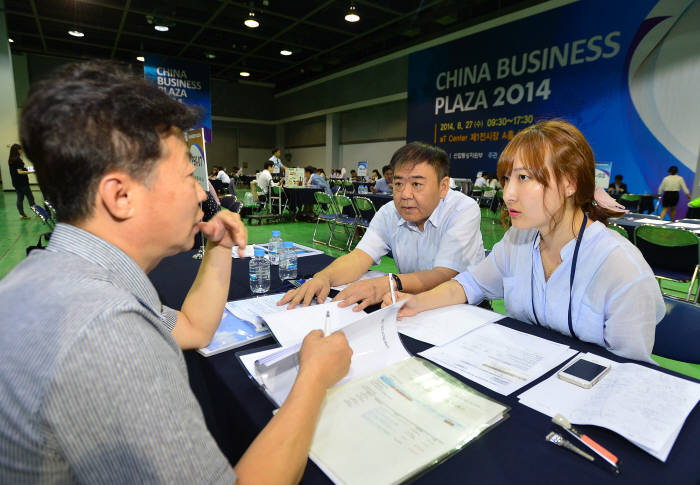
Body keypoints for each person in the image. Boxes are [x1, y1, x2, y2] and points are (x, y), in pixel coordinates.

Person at [0, 61, 352, 484]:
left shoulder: (65, 275)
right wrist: (313, 378)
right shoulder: (106, 330)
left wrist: (219, 247)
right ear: (121, 195)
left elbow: (192, 329)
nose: (202, 192)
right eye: (188, 175)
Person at [385, 120, 664, 363]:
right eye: (507, 179)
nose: (508, 195)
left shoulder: (621, 267)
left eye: (524, 178)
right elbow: (469, 284)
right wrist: (416, 303)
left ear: (569, 182)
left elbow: (630, 371)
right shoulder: (516, 241)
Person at [280, 141, 485, 311]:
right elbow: (360, 257)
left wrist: (390, 282)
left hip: (461, 309)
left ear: (443, 186)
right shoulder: (389, 212)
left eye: (416, 184)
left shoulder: (463, 210)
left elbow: (445, 274)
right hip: (406, 303)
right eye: (398, 184)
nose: (405, 194)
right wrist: (324, 277)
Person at [7, 143, 36, 220]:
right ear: (17, 150)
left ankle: (22, 215)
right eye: (20, 150)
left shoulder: (11, 159)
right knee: (30, 198)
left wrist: (27, 169)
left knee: (20, 198)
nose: (21, 151)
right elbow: (19, 171)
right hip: (22, 183)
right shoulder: (17, 160)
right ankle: (38, 213)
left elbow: (21, 169)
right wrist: (31, 172)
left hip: (16, 183)